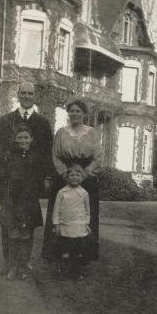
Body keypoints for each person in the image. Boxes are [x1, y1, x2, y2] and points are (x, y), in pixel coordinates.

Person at [0, 81, 53, 277]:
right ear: (18, 95)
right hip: (8, 183)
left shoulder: (42, 123)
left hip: (31, 184)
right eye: (23, 93)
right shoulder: (6, 120)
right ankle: (9, 263)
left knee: (28, 223)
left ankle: (23, 263)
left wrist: (47, 177)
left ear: (34, 96)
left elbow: (47, 152)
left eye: (30, 93)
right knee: (9, 222)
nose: (26, 96)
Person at [42, 99, 102, 266]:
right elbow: (55, 155)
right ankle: (59, 258)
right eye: (72, 111)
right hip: (64, 178)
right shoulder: (61, 133)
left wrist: (84, 174)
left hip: (86, 178)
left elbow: (97, 157)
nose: (75, 114)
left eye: (78, 111)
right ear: (68, 113)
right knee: (61, 214)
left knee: (84, 215)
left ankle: (82, 259)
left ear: (84, 114)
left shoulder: (92, 133)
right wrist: (65, 174)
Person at [0, 124, 44, 280]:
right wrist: (5, 194)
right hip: (12, 202)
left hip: (29, 203)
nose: (23, 140)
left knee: (26, 235)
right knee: (12, 235)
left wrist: (34, 193)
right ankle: (12, 266)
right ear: (15, 139)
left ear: (31, 139)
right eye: (20, 137)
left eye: (26, 137)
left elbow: (40, 181)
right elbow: (1, 179)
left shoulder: (36, 158)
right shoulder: (8, 157)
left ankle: (23, 265)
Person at [52, 164, 91, 280]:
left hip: (79, 227)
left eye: (77, 175)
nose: (75, 177)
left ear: (81, 177)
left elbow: (87, 211)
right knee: (65, 251)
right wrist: (56, 224)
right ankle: (63, 272)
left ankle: (77, 272)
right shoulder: (62, 192)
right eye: (72, 175)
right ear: (67, 177)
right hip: (65, 227)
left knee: (78, 252)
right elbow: (56, 210)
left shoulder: (84, 193)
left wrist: (86, 223)